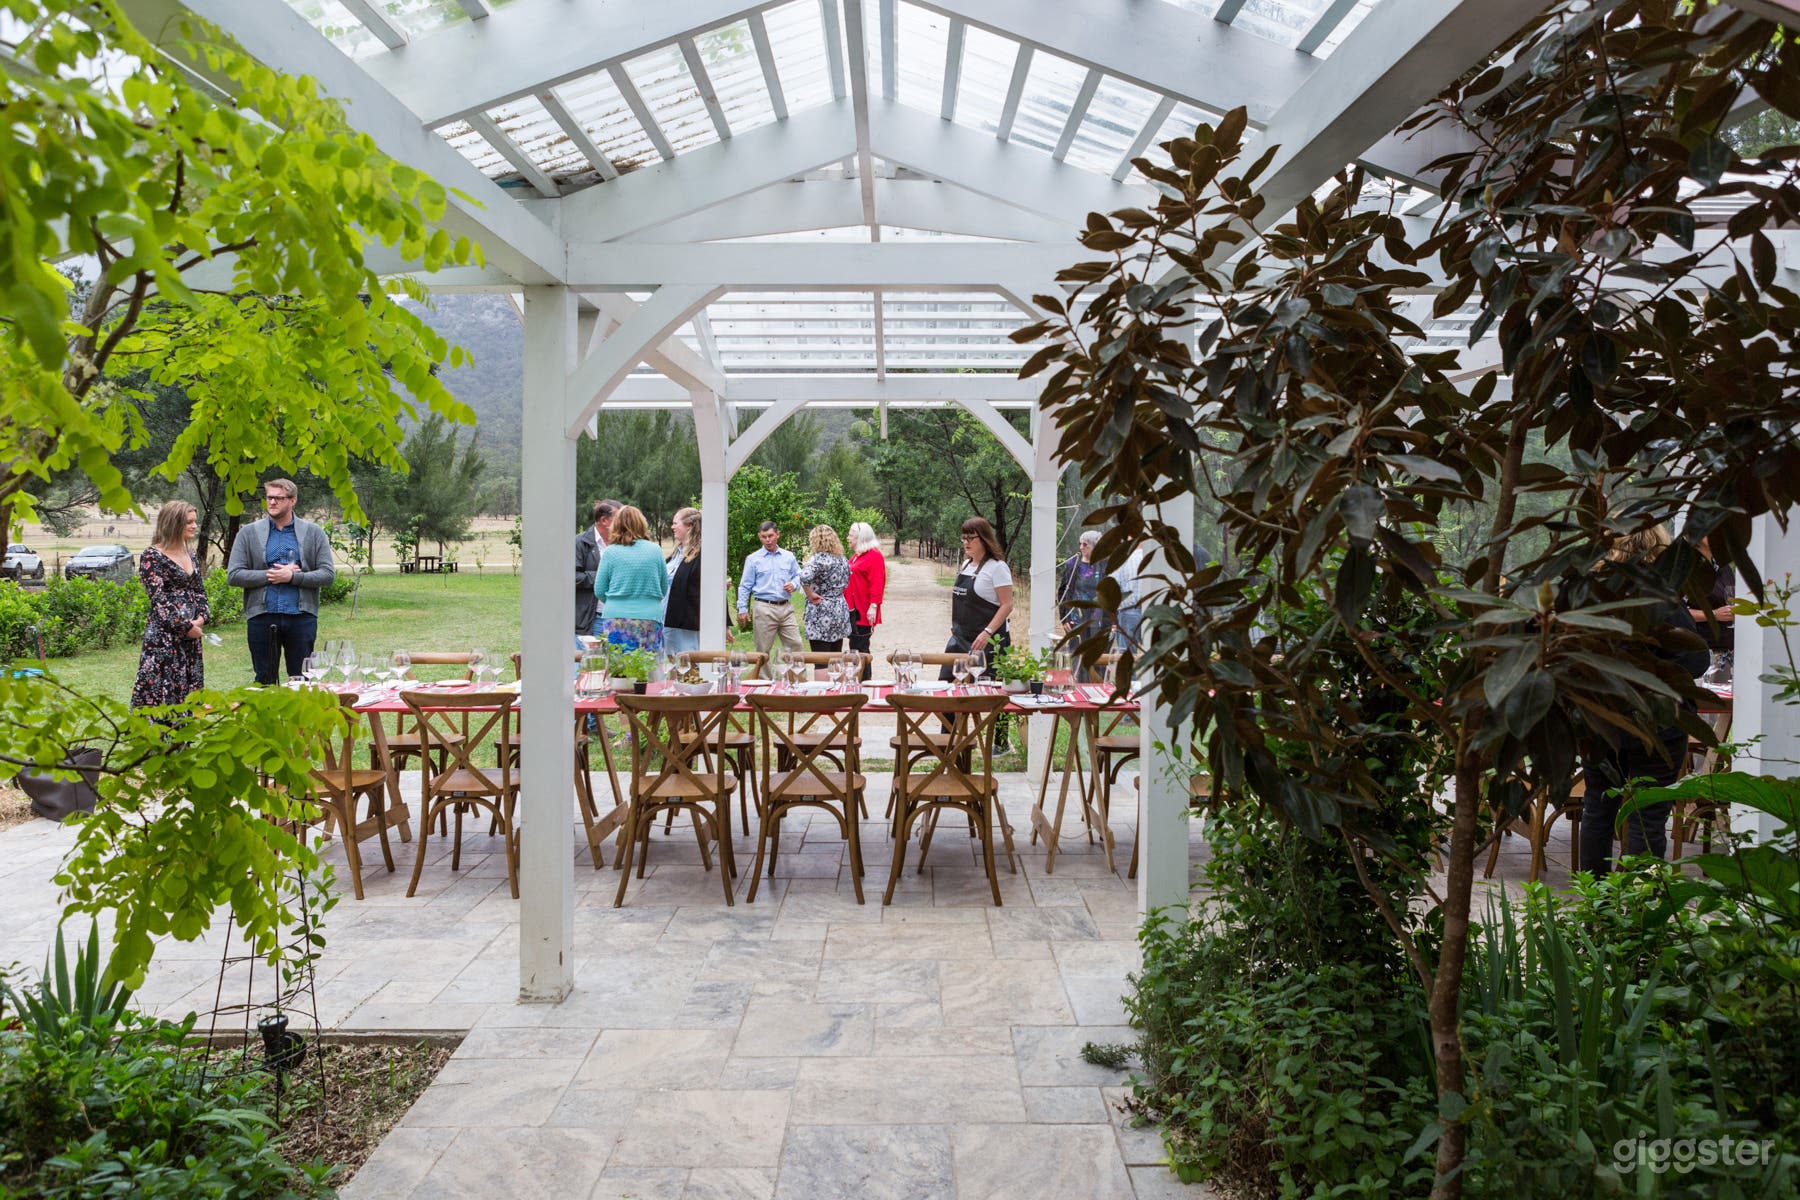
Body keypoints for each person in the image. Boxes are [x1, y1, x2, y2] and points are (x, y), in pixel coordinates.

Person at [1579, 525, 1711, 875]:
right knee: (1647, 817)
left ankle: (1596, 905)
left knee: (1598, 809)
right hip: (1658, 724)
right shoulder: (1661, 598)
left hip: (1600, 720)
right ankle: (1640, 909)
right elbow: (1697, 660)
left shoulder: (1588, 597)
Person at [227, 477, 335, 684]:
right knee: (265, 681)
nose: (272, 502)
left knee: (302, 680)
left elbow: (327, 575)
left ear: (292, 501)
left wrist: (294, 577)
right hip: (262, 616)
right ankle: (267, 717)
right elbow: (234, 575)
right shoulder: (248, 533)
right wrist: (271, 575)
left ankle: (301, 717)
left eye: (279, 498)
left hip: (301, 617)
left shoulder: (314, 533)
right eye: (269, 498)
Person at [131, 501, 210, 708]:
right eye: (188, 522)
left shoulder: (190, 552)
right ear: (173, 524)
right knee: (163, 688)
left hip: (192, 635)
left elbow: (198, 589)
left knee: (188, 687)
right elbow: (159, 599)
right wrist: (184, 627)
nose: (194, 526)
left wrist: (202, 617)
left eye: (195, 521)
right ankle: (158, 736)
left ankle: (184, 736)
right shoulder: (152, 556)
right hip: (164, 637)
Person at [943, 516, 1013, 678]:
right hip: (960, 640)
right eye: (964, 538)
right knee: (948, 685)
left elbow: (1007, 604)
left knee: (983, 691)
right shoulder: (965, 565)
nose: (966, 542)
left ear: (984, 538)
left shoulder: (997, 567)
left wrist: (987, 632)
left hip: (987, 643)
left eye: (971, 538)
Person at [592, 506, 669, 653]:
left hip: (616, 616)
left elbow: (600, 589)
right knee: (647, 665)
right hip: (650, 616)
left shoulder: (611, 552)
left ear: (616, 525)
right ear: (642, 524)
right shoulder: (655, 550)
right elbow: (663, 587)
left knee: (618, 667)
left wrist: (617, 600)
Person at [736, 520, 805, 662]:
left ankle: (796, 681)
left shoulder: (788, 556)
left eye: (770, 536)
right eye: (763, 537)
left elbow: (799, 575)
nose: (767, 540)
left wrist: (794, 584)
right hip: (763, 607)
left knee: (796, 645)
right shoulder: (753, 559)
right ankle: (763, 683)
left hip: (786, 608)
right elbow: (744, 586)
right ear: (759, 537)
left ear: (777, 535)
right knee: (763, 650)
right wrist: (742, 609)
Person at [1058, 530, 1107, 676]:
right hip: (1076, 618)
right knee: (1077, 654)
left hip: (1099, 618)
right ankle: (1076, 688)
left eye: (1085, 544)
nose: (1081, 547)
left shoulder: (1104, 565)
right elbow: (1064, 591)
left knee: (1097, 655)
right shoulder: (1073, 564)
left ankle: (1097, 689)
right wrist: (1064, 617)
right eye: (1080, 544)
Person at [799, 524, 852, 656]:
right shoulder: (843, 560)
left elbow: (804, 576)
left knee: (820, 658)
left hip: (821, 611)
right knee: (835, 655)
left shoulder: (819, 559)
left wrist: (810, 594)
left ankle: (822, 677)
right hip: (839, 610)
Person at [1689, 534, 1735, 677]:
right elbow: (1674, 611)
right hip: (1700, 655)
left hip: (1727, 656)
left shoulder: (1724, 567)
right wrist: (1714, 615)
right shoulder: (1687, 567)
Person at [845, 521, 885, 680]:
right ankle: (857, 681)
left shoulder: (874, 555)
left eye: (851, 535)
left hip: (863, 610)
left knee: (861, 649)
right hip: (853, 610)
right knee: (855, 647)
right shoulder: (857, 555)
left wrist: (873, 606)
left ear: (860, 537)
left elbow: (878, 582)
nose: (848, 538)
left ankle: (864, 682)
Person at [576, 498, 619, 646]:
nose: (623, 524)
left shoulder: (621, 545)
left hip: (617, 618)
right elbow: (572, 577)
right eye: (618, 519)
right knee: (587, 666)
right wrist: (603, 576)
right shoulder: (579, 544)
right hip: (590, 618)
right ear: (604, 520)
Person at [664, 506, 703, 653]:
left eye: (675, 523)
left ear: (689, 526)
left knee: (687, 662)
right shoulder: (675, 554)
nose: (672, 527)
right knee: (669, 661)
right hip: (667, 617)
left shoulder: (700, 554)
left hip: (685, 622)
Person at [1113, 538, 1152, 652]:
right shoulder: (1153, 559)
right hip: (1152, 612)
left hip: (1128, 613)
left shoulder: (1122, 559)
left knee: (1127, 657)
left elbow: (1113, 587)